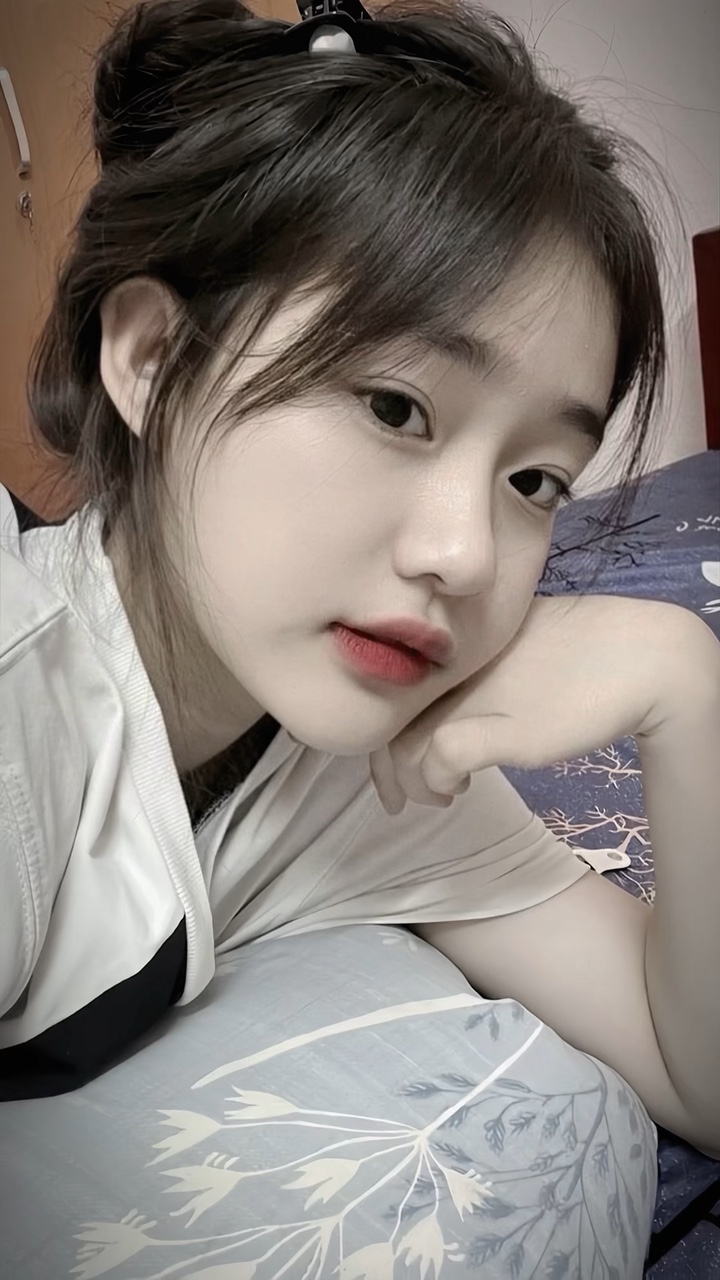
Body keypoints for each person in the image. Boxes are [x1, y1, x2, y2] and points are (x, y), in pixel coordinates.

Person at [0, 0, 718, 1272]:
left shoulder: (361, 761)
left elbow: (693, 1064)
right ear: (154, 358)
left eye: (536, 480)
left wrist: (690, 689)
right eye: (394, 406)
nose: (465, 554)